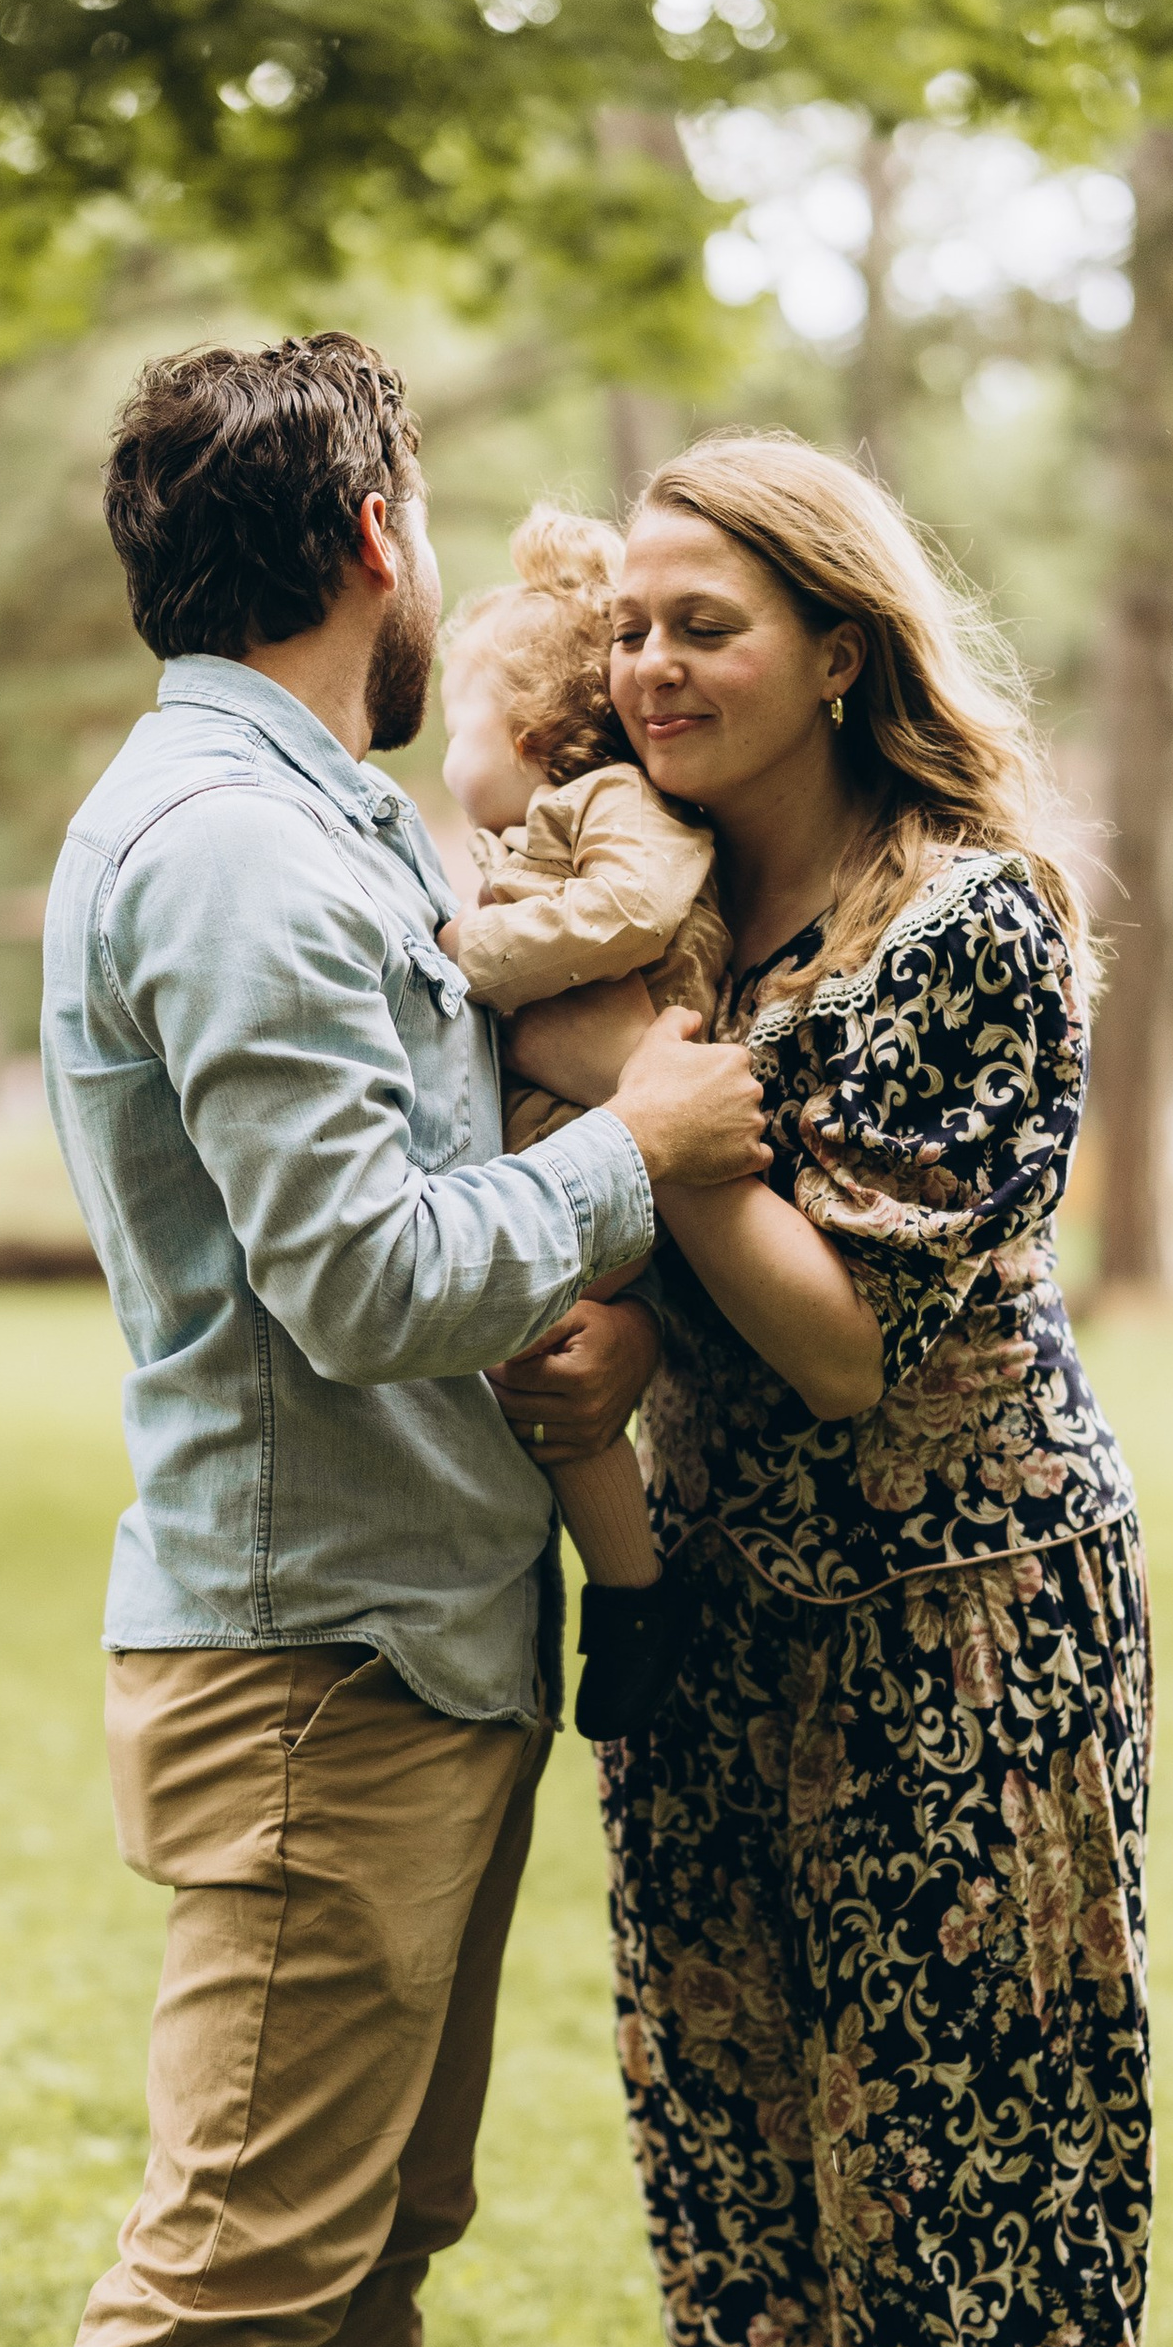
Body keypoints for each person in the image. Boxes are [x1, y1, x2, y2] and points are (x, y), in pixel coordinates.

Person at [0, 334, 770, 2347]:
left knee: (358, 2247)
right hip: (310, 1668)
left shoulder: (303, 829)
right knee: (221, 2277)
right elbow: (365, 1272)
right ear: (379, 529)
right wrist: (641, 1142)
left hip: (415, 1634)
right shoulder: (234, 856)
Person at [508, 433, 1153, 2347]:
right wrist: (622, 1058)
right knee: (753, 2176)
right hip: (712, 1630)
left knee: (974, 2204)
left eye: (712, 627)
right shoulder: (648, 901)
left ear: (846, 653)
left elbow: (845, 1339)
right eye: (634, 623)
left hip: (966, 1628)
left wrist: (630, 1091)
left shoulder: (968, 927)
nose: (651, 667)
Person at [435, 505, 731, 1739]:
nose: (443, 753)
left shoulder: (615, 802)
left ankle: (629, 1597)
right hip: (573, 1133)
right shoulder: (526, 831)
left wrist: (476, 956)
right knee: (538, 1360)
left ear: (531, 734)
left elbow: (631, 911)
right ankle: (621, 1597)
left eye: (455, 724)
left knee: (541, 1347)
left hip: (614, 1140)